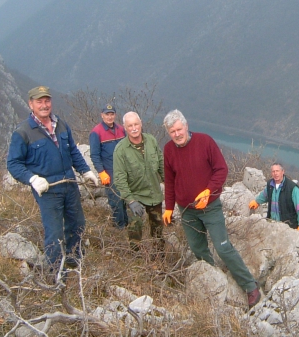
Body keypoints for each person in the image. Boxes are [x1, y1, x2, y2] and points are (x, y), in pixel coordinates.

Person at [162, 109, 261, 308]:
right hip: (187, 209)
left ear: (186, 126)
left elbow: (221, 169)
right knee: (198, 248)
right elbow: (170, 180)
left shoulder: (205, 142)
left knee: (223, 247)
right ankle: (213, 277)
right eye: (172, 131)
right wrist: (169, 208)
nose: (177, 134)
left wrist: (208, 191)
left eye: (179, 129)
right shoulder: (168, 150)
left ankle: (250, 286)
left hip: (210, 207)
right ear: (168, 132)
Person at [7, 85, 99, 272]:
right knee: (55, 233)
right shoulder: (23, 132)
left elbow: (73, 151)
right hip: (48, 190)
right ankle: (56, 274)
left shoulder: (62, 125)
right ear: (30, 104)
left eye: (47, 100)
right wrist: (32, 179)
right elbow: (14, 164)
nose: (44, 105)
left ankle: (74, 262)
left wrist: (85, 171)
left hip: (69, 185)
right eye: (39, 101)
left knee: (77, 224)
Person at [113, 111, 165, 252]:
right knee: (135, 229)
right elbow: (119, 178)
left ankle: (159, 257)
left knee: (158, 231)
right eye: (130, 126)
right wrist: (130, 201)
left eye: (136, 124)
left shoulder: (151, 141)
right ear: (125, 127)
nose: (134, 128)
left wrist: (171, 184)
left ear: (141, 123)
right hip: (136, 196)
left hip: (154, 194)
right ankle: (136, 258)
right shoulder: (121, 150)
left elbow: (161, 164)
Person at [89, 104, 128, 229]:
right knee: (115, 201)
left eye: (112, 114)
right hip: (110, 172)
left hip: (123, 170)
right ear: (102, 115)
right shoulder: (96, 132)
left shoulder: (121, 130)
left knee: (125, 198)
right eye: (107, 114)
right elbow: (94, 155)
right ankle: (119, 228)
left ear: (115, 115)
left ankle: (127, 225)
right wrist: (101, 172)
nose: (109, 117)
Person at [248, 162, 299, 230]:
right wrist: (256, 201)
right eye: (273, 171)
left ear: (282, 172)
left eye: (277, 171)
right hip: (272, 224)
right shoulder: (270, 185)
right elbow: (265, 195)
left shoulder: (292, 188)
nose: (275, 173)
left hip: (288, 227)